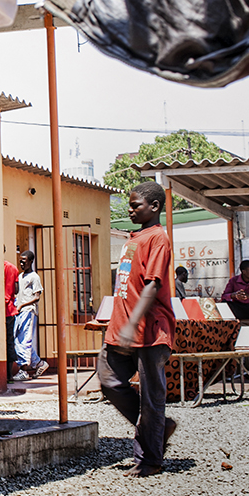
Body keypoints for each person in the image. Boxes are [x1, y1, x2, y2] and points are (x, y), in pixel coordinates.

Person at [98, 181, 176, 478]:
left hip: (149, 331)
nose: (130, 210)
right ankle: (159, 428)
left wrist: (133, 324)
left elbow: (153, 284)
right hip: (120, 328)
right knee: (109, 381)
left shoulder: (158, 238)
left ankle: (150, 459)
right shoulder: (134, 238)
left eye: (135, 206)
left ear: (154, 207)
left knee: (151, 398)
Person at [14, 251, 49, 380]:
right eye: (20, 260)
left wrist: (22, 305)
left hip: (28, 311)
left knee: (24, 340)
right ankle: (39, 363)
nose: (22, 263)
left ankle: (24, 370)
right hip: (19, 311)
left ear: (31, 261)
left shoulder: (34, 277)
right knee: (17, 341)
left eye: (24, 260)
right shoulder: (20, 276)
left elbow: (37, 296)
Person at [4, 258, 20, 381]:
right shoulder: (13, 268)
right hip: (9, 310)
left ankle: (7, 374)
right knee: (10, 341)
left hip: (1, 309)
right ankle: (9, 374)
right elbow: (17, 289)